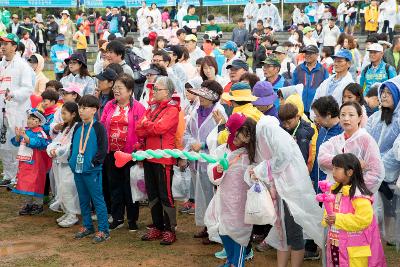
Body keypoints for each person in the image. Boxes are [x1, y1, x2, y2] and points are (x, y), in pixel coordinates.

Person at [251, 115, 323, 267]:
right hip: (281, 191)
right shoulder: (276, 139)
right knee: (281, 233)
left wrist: (261, 170)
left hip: (292, 192)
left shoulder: (280, 140)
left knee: (294, 232)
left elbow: (280, 160)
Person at [136, 76, 180, 245]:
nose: (153, 92)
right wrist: (149, 126)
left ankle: (169, 230)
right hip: (149, 156)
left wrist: (147, 126)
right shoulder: (152, 108)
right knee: (152, 194)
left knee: (165, 195)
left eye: (157, 89)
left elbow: (160, 128)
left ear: (167, 92)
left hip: (163, 158)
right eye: (153, 89)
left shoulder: (172, 110)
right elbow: (139, 129)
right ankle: (157, 226)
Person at [207, 113, 256, 267]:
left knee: (240, 234)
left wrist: (255, 173)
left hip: (242, 203)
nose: (232, 135)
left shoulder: (253, 155)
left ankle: (237, 262)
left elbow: (258, 176)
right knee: (224, 230)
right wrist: (219, 169)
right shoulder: (224, 150)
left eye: (237, 133)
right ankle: (230, 260)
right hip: (224, 200)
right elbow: (213, 174)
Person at [322, 153, 386, 267]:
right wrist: (327, 218)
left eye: (337, 168)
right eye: (333, 168)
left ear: (350, 172)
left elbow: (363, 220)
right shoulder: (335, 190)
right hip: (336, 244)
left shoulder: (359, 195)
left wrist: (337, 218)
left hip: (354, 250)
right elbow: (330, 211)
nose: (333, 171)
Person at [184, 80, 226, 244]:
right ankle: (206, 226)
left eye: (204, 95)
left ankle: (215, 230)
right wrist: (190, 147)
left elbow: (224, 137)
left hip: (211, 161)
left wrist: (203, 145)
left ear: (213, 97)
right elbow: (187, 132)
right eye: (199, 94)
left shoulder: (219, 112)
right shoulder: (196, 110)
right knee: (201, 196)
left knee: (213, 197)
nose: (200, 97)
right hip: (196, 160)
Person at [101, 74, 145, 232]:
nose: (116, 91)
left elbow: (143, 131)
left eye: (120, 88)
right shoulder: (109, 106)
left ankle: (132, 219)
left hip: (130, 154)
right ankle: (117, 217)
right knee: (114, 186)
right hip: (112, 153)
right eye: (115, 88)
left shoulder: (139, 108)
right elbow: (102, 124)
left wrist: (140, 152)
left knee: (130, 186)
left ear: (130, 91)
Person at [318, 101, 385, 194]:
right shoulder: (336, 140)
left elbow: (376, 172)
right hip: (336, 192)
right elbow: (322, 158)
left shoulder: (366, 140)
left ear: (359, 118)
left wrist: (356, 190)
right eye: (343, 115)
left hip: (358, 195)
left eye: (351, 115)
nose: (346, 118)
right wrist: (352, 163)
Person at [70, 95, 109, 244]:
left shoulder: (99, 127)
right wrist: (71, 160)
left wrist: (94, 163)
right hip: (78, 170)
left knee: (97, 200)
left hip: (92, 171)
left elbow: (103, 148)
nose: (81, 110)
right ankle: (87, 226)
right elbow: (74, 145)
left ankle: (104, 230)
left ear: (94, 110)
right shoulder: (78, 126)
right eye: (80, 107)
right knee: (83, 199)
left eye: (84, 107)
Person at [366, 78, 400, 246]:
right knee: (376, 203)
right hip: (373, 167)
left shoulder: (399, 119)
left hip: (390, 170)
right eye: (383, 93)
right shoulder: (376, 117)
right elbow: (367, 139)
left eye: (389, 94)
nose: (385, 96)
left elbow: (397, 149)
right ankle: (377, 234)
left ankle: (390, 235)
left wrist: (381, 166)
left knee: (389, 203)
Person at [0, 33, 35, 187]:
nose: (3, 46)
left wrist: (13, 94)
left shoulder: (22, 65)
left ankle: (18, 177)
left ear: (14, 47)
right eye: (2, 43)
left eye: (6, 44)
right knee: (3, 145)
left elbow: (28, 89)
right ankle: (8, 175)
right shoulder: (1, 64)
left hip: (17, 111)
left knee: (16, 143)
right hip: (2, 111)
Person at [46, 102, 81, 227]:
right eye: (61, 113)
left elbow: (70, 145)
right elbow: (57, 141)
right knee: (61, 187)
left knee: (68, 188)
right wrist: (51, 149)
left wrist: (58, 151)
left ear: (73, 114)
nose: (62, 116)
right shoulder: (66, 127)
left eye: (64, 113)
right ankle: (67, 211)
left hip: (68, 163)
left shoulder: (77, 127)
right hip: (60, 162)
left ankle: (73, 214)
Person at [12, 109, 50, 215]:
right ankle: (28, 203)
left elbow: (40, 143)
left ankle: (38, 204)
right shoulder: (26, 130)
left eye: (33, 119)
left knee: (37, 182)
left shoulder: (40, 132)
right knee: (25, 182)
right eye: (29, 118)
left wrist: (25, 137)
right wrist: (18, 135)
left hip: (37, 163)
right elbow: (16, 143)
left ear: (39, 122)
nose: (30, 121)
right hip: (25, 162)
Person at [311, 49, 354, 119]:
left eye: (340, 61)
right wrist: (315, 117)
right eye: (335, 61)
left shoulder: (350, 84)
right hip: (320, 122)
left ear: (348, 63)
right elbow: (316, 99)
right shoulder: (327, 81)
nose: (336, 64)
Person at [292, 45, 329, 117]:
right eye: (306, 53)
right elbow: (293, 86)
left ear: (317, 55)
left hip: (316, 110)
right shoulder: (298, 69)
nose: (307, 55)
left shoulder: (323, 70)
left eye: (310, 53)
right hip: (299, 109)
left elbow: (326, 90)